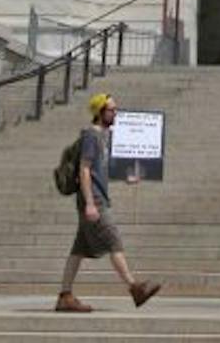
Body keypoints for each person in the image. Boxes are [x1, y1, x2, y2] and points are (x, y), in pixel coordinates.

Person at [56, 93, 159, 313]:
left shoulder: (103, 136)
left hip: (96, 197)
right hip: (94, 199)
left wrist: (125, 178)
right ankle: (135, 288)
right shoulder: (91, 136)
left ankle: (65, 296)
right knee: (114, 242)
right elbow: (84, 170)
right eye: (112, 109)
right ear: (100, 112)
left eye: (115, 109)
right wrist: (90, 204)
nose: (116, 113)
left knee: (78, 250)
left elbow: (99, 169)